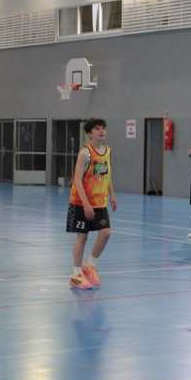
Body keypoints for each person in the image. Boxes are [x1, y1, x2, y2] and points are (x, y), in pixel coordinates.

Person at [67, 118, 117, 289]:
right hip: (81, 202)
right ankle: (76, 275)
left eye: (103, 128)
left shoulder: (107, 151)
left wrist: (112, 195)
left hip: (100, 202)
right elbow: (77, 179)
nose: (101, 131)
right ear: (90, 134)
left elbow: (106, 174)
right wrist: (86, 204)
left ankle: (90, 264)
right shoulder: (85, 153)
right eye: (97, 129)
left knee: (106, 233)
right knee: (82, 236)